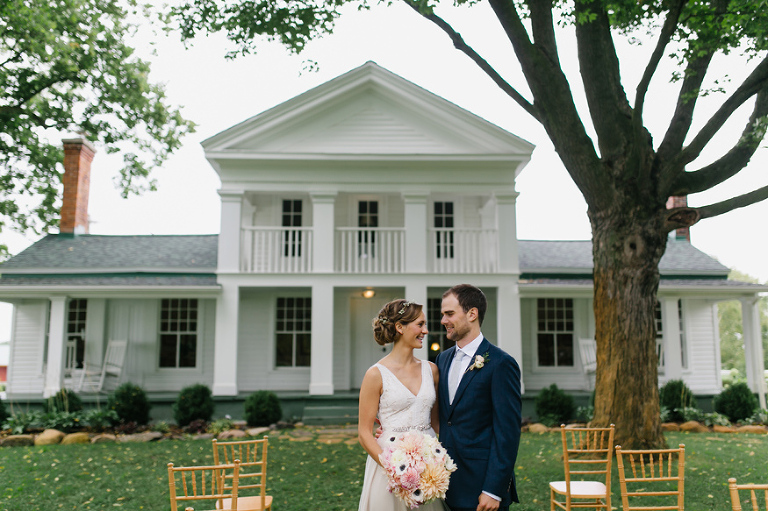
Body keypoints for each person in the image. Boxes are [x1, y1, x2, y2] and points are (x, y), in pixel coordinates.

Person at [436, 284, 522, 511]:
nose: (443, 320)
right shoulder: (442, 360)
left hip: (482, 486)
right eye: (443, 314)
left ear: (472, 314)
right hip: (444, 484)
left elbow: (507, 433)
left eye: (449, 313)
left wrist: (494, 489)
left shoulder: (501, 363)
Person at [357, 299, 444, 511]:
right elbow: (364, 433)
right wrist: (396, 470)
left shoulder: (431, 370)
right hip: (389, 463)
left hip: (428, 464)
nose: (426, 331)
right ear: (399, 327)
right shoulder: (375, 374)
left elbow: (437, 423)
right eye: (420, 324)